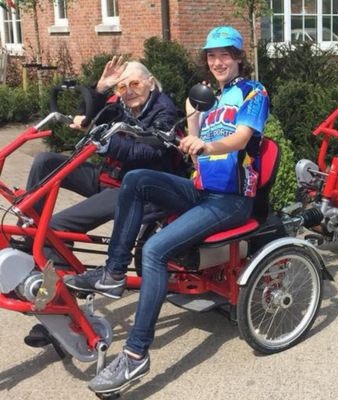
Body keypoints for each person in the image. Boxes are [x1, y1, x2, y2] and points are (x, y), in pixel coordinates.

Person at [64, 26, 269, 394]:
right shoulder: (211, 97)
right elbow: (190, 143)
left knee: (157, 250)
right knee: (138, 179)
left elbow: (240, 138)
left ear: (239, 58)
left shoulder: (253, 92)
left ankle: (136, 354)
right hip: (200, 190)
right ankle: (113, 273)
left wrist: (209, 146)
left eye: (225, 55)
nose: (218, 61)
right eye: (211, 56)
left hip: (232, 199)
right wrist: (192, 118)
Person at [24, 57, 182, 234]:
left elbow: (148, 151)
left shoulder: (164, 112)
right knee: (45, 162)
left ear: (151, 83)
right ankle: (26, 232)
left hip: (134, 189)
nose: (129, 91)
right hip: (108, 177)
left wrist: (106, 143)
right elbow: (86, 116)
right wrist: (101, 87)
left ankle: (49, 257)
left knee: (54, 226)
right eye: (122, 87)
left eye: (135, 84)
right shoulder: (121, 104)